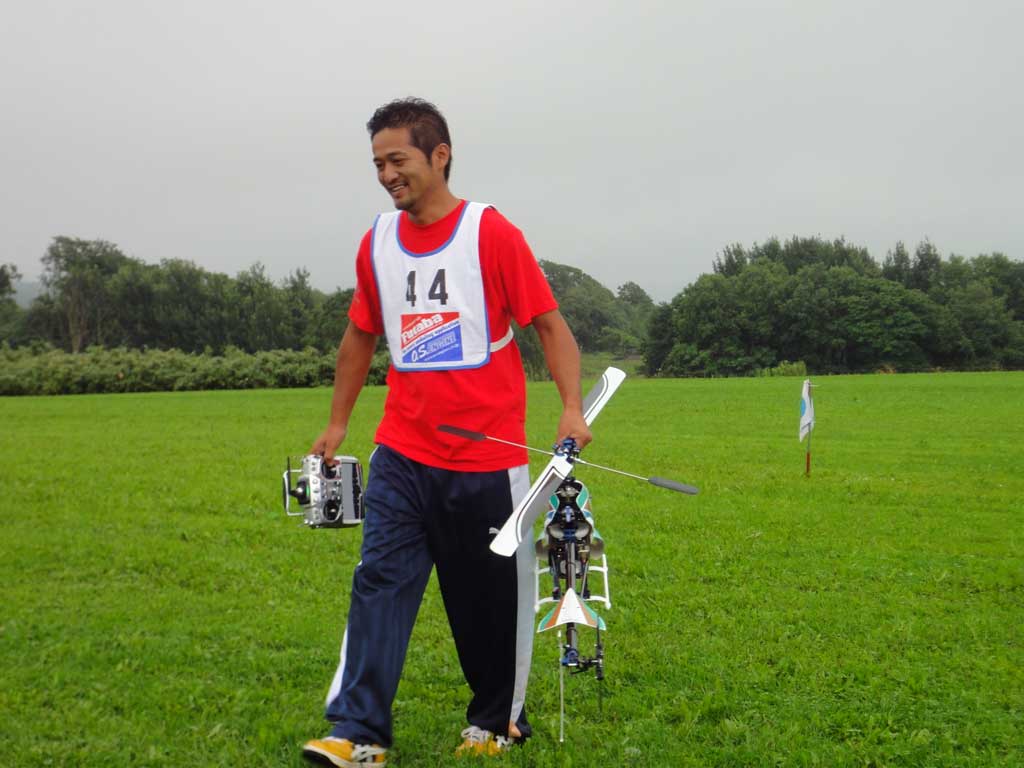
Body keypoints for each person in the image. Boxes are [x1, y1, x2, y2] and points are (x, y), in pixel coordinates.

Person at [301, 97, 591, 767]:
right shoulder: (377, 242)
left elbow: (549, 326)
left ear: (440, 155)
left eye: (397, 160)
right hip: (402, 452)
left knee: (487, 599)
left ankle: (496, 722)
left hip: (488, 457)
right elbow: (360, 335)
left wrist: (572, 408)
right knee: (378, 582)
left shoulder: (491, 233)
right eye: (378, 164)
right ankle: (358, 732)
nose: (386, 175)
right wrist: (338, 423)